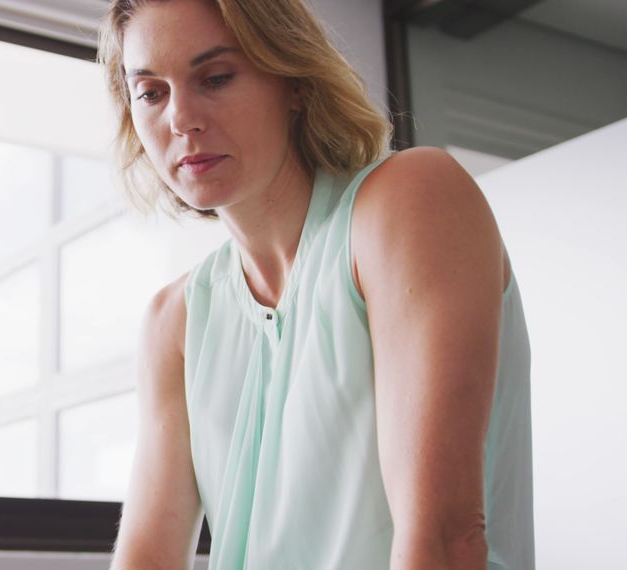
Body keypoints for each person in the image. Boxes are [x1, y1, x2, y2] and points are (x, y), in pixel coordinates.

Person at [98, 0, 534, 568]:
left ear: (294, 83)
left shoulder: (410, 201)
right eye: (151, 92)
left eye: (216, 77)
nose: (180, 118)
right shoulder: (174, 321)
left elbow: (445, 538)